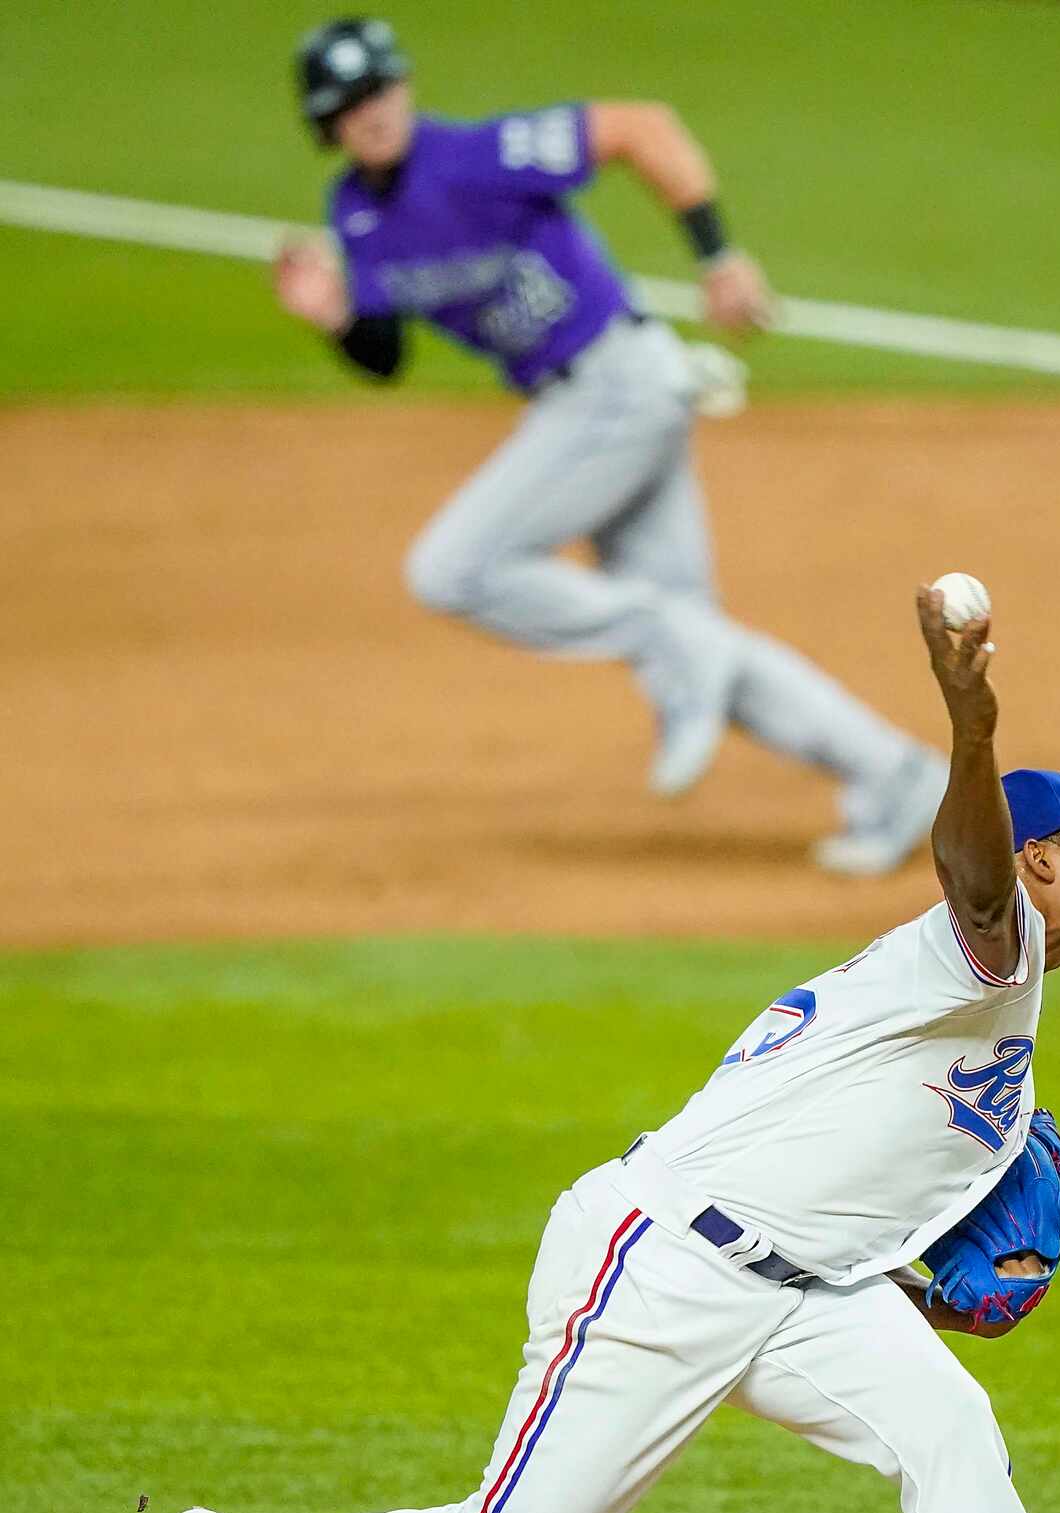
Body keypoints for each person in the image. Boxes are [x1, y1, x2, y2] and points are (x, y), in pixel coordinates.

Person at [119, 585, 1060, 1513]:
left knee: (950, 1433)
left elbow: (842, 1186)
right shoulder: (975, 947)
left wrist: (920, 1297)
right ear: (1040, 861)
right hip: (655, 1267)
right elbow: (967, 870)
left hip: (799, 1292)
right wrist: (966, 723)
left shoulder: (992, 1011)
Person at [272, 15, 946, 875]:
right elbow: (385, 355)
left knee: (451, 570)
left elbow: (641, 127)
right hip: (591, 406)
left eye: (380, 88)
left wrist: (719, 258)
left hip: (618, 386)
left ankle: (665, 633)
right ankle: (900, 777)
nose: (372, 110)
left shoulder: (475, 156)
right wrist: (333, 317)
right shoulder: (355, 213)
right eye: (350, 102)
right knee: (708, 656)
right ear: (326, 125)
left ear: (403, 86)